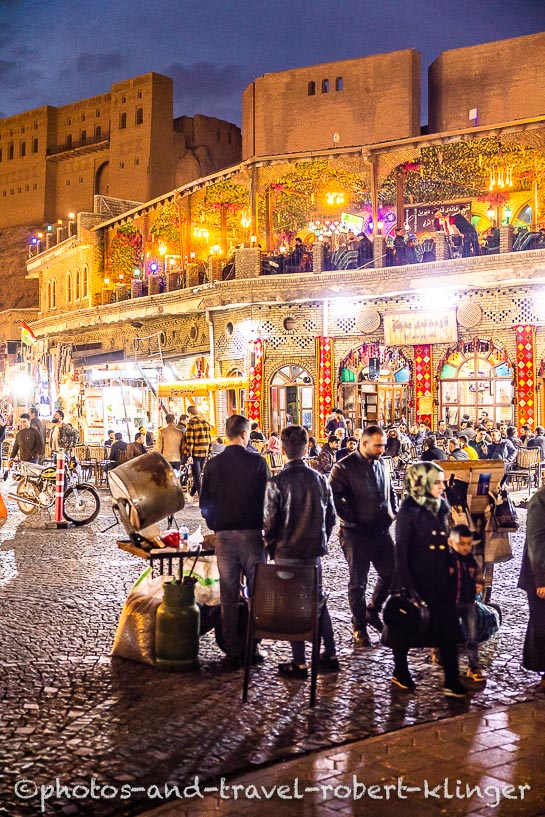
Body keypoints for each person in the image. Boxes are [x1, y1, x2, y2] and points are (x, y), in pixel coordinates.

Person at [264, 425, 338, 678]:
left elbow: (269, 523)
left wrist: (271, 548)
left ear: (282, 450)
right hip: (312, 552)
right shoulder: (320, 480)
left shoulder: (276, 483)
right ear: (307, 449)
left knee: (291, 605)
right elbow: (331, 517)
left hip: (287, 553)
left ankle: (299, 661)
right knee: (318, 601)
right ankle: (330, 653)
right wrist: (320, 538)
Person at [390, 462, 467, 696]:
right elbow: (401, 548)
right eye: (437, 482)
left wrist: (452, 564)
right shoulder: (409, 509)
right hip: (417, 577)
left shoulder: (441, 506)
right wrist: (404, 583)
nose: (442, 486)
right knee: (407, 624)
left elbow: (445, 539)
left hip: (440, 577)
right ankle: (400, 671)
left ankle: (452, 679)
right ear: (421, 482)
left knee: (448, 627)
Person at [200, 414, 269, 670]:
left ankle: (233, 649)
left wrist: (215, 526)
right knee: (257, 593)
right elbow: (267, 500)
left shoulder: (213, 465)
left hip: (225, 537)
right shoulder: (258, 462)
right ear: (244, 434)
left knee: (228, 594)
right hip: (252, 536)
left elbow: (204, 502)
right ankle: (253, 646)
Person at [330, 425, 397, 644]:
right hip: (355, 534)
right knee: (358, 582)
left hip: (381, 531)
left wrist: (391, 512)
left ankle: (373, 609)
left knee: (392, 574)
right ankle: (359, 626)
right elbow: (336, 498)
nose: (382, 449)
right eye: (378, 445)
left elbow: (390, 491)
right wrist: (354, 517)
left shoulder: (382, 464)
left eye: (384, 445)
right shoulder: (343, 467)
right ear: (364, 443)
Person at [448, 524, 485, 682]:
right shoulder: (446, 560)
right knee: (449, 635)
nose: (465, 548)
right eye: (461, 544)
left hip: (468, 602)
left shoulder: (471, 561)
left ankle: (473, 665)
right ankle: (448, 662)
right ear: (451, 542)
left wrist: (479, 585)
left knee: (472, 635)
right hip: (450, 605)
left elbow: (478, 576)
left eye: (468, 544)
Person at [518, 485, 545, 690]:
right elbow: (536, 542)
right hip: (539, 572)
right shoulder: (540, 501)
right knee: (541, 623)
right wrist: (541, 580)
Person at [182, 405, 211, 497]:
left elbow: (189, 440)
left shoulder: (190, 423)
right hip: (204, 452)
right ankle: (191, 495)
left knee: (196, 476)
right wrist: (209, 452)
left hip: (195, 453)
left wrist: (189, 455)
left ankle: (202, 498)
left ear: (190, 414)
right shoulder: (206, 423)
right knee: (197, 475)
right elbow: (209, 439)